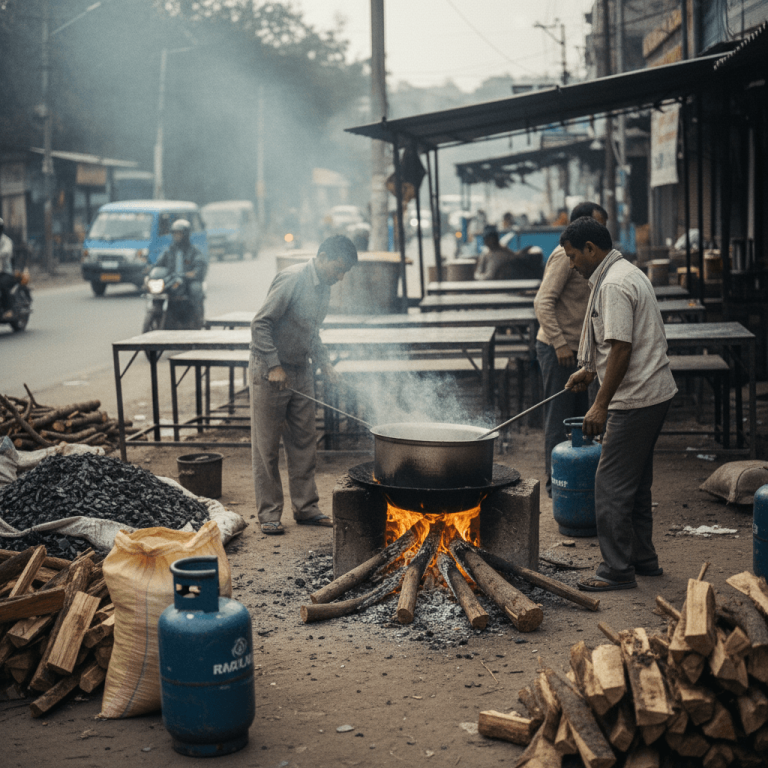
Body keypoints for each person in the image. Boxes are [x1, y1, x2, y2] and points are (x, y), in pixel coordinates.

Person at [561, 218, 677, 592]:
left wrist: (599, 405)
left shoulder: (612, 285)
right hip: (654, 392)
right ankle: (643, 559)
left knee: (610, 485)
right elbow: (617, 346)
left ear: (592, 249)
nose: (572, 265)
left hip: (637, 397)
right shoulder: (626, 271)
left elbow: (623, 348)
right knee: (637, 483)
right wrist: (590, 370)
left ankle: (616, 569)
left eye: (574, 256)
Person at [249, 235, 358, 535]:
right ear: (322, 257)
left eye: (344, 272)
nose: (339, 277)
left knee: (303, 442)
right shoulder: (292, 279)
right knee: (267, 446)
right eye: (337, 268)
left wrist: (324, 363)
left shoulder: (324, 288)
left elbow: (312, 332)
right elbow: (260, 324)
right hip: (271, 371)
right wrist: (273, 365)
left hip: (301, 369)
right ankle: (270, 514)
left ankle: (306, 507)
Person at [534, 202, 607, 497]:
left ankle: (580, 479)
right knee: (558, 418)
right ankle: (557, 482)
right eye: (597, 225)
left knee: (581, 420)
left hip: (581, 351)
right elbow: (542, 302)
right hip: (558, 349)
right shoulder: (565, 257)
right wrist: (560, 344)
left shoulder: (595, 259)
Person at [154, 219, 207, 326]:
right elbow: (158, 264)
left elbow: (200, 266)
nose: (176, 236)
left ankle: (198, 320)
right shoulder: (169, 251)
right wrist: (150, 270)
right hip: (172, 280)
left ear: (186, 234)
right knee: (156, 292)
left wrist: (194, 273)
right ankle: (157, 314)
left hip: (187, 281)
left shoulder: (194, 251)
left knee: (195, 289)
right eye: (174, 233)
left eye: (179, 233)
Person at [474, 226, 541, 280]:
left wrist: (478, 277)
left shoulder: (499, 254)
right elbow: (482, 274)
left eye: (492, 239)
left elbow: (489, 276)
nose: (489, 242)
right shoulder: (486, 254)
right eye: (487, 240)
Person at [0, 218, 15, 320]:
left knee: (2, 285)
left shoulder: (6, 241)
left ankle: (8, 309)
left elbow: (6, 252)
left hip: (6, 272)